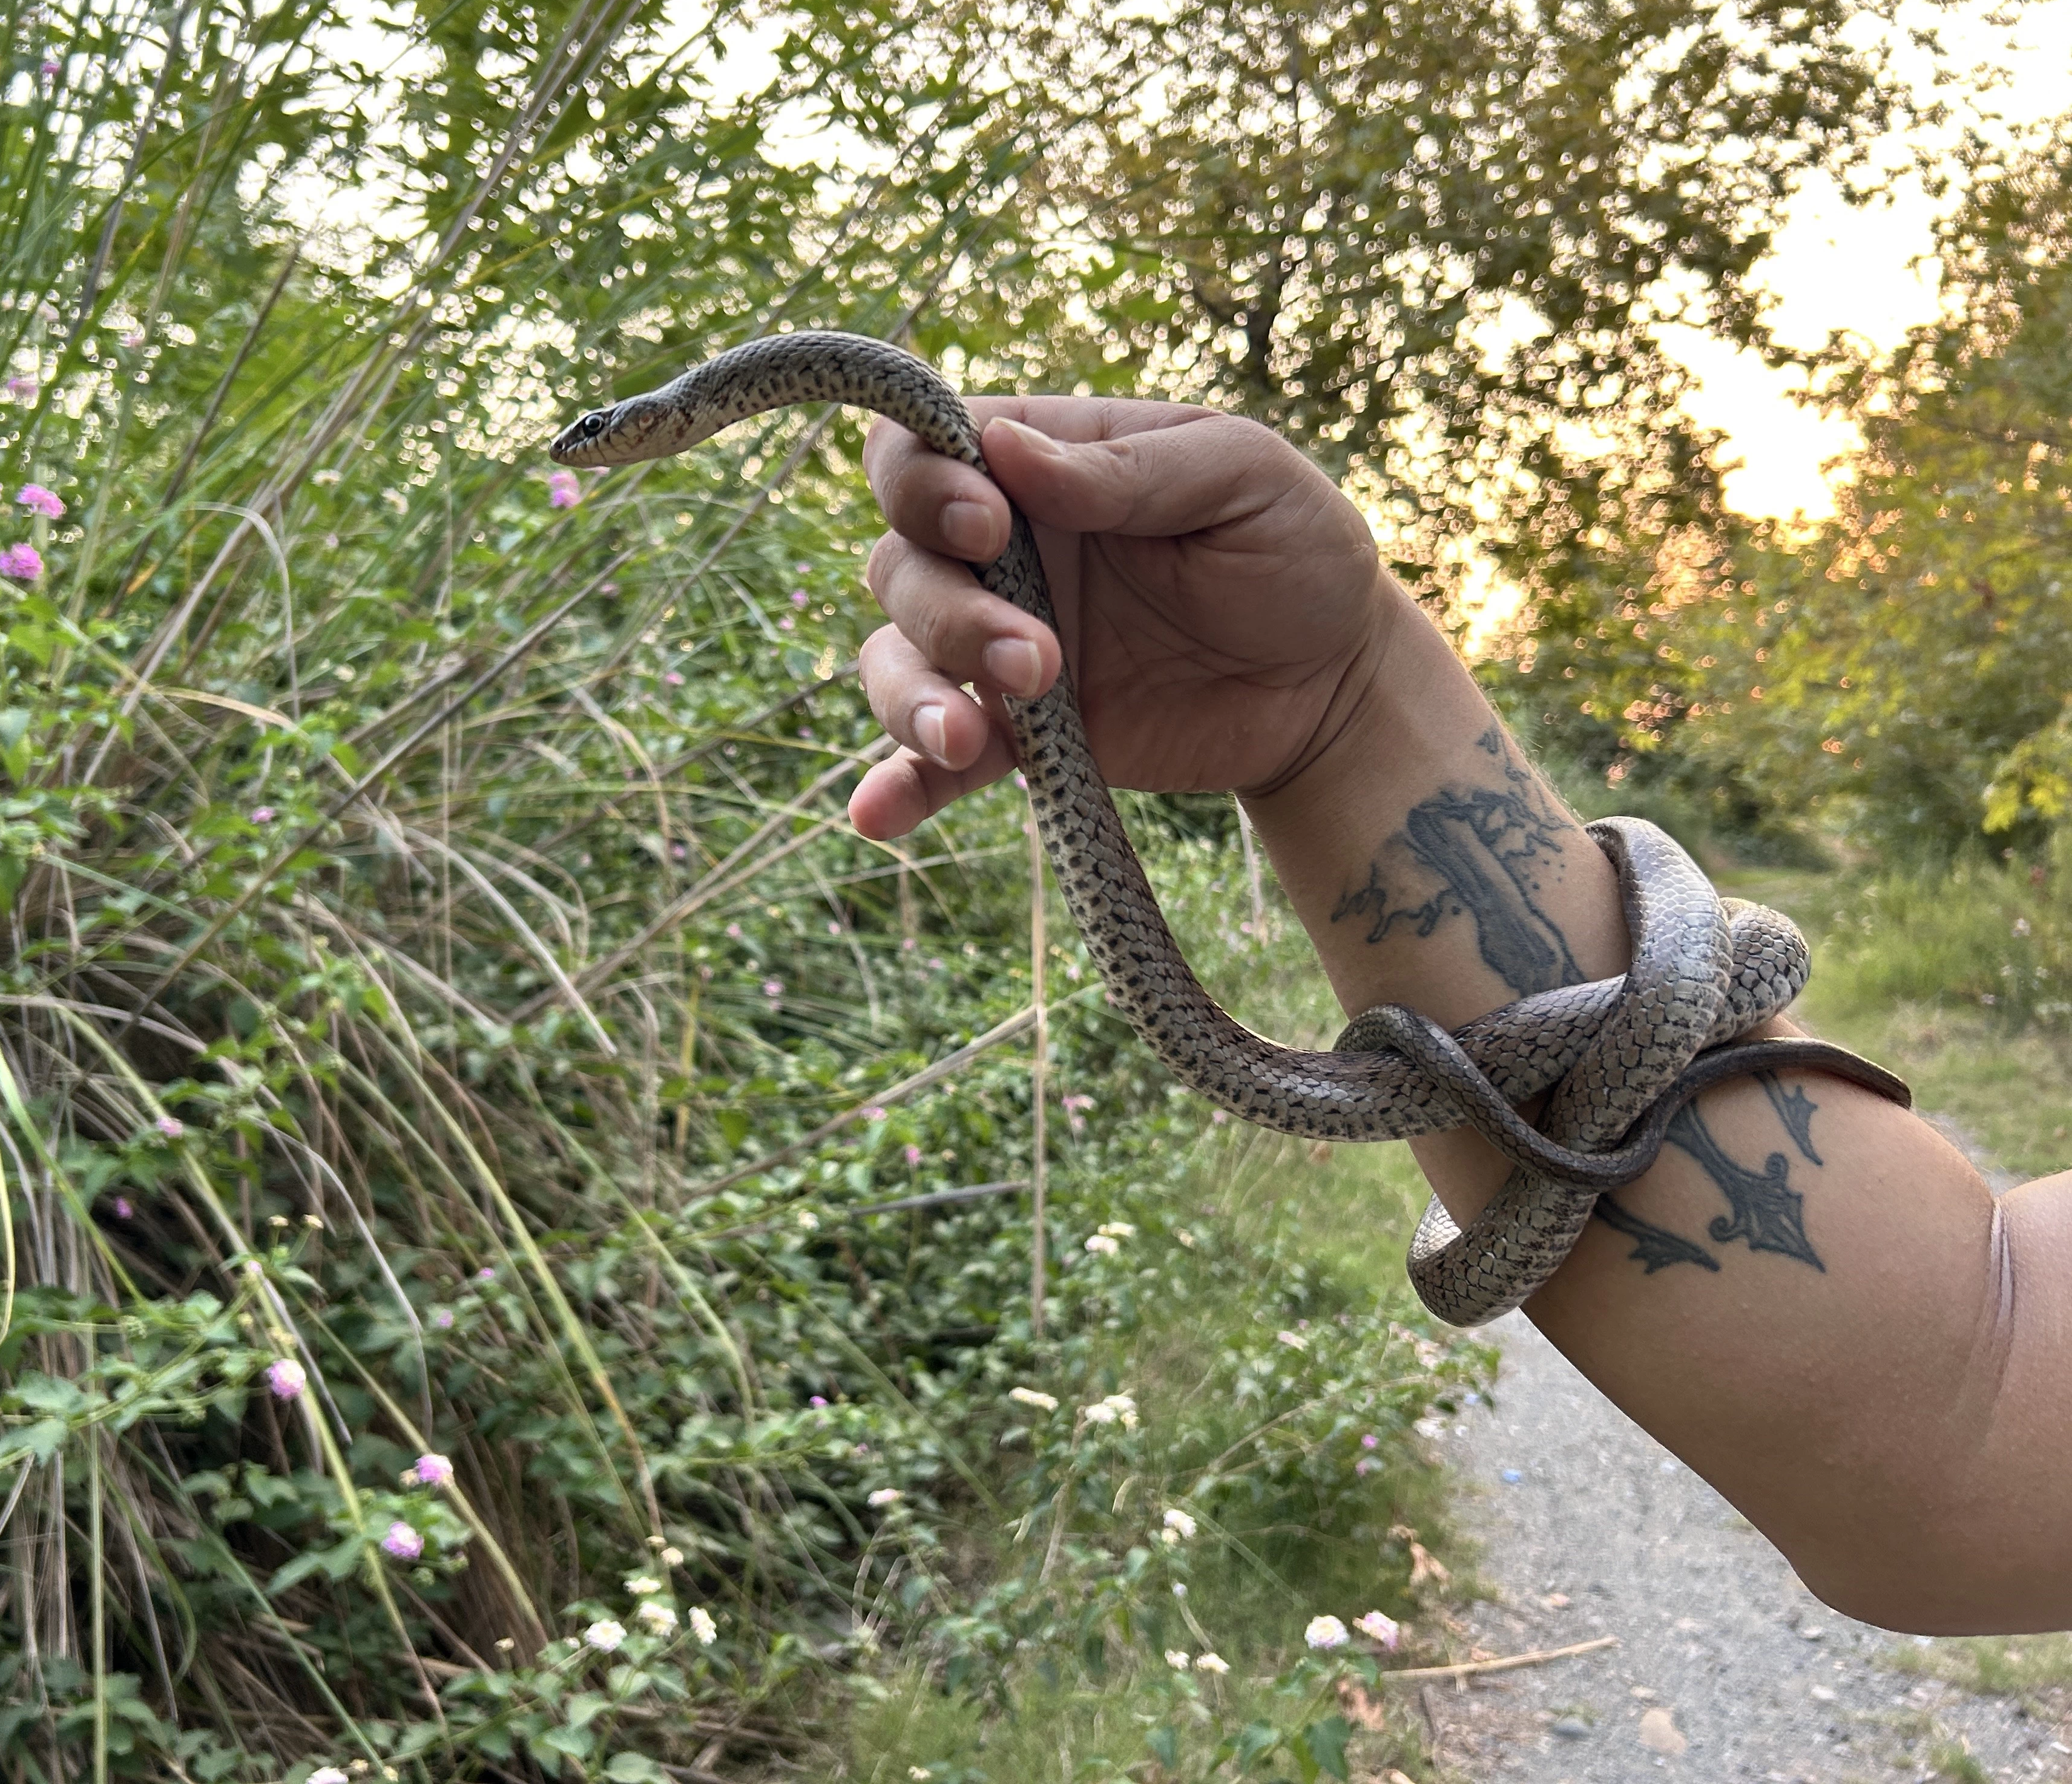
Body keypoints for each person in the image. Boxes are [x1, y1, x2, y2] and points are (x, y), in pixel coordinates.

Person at [847, 396, 2071, 1634]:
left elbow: (1960, 1425)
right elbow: (1962, 1424)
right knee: (1713, 962)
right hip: (1541, 972)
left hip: (1588, 1068)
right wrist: (1337, 712)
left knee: (1724, 960)